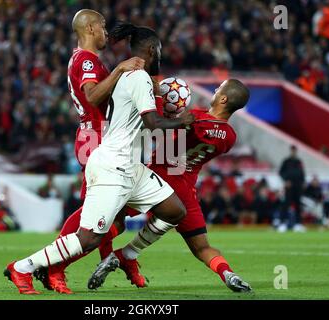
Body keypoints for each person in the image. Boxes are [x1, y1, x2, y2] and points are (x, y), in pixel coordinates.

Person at [4, 21, 195, 295]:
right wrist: (181, 120)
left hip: (126, 160)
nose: (107, 31)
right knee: (90, 234)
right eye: (103, 27)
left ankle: (123, 257)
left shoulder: (125, 74)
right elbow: (142, 118)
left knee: (168, 211)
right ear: (153, 50)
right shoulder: (107, 67)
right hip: (107, 154)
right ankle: (27, 267)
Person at [7, 9, 145, 294]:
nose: (107, 32)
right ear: (92, 28)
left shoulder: (88, 59)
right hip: (96, 139)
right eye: (104, 27)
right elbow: (94, 95)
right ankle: (50, 266)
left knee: (111, 217)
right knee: (94, 216)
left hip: (100, 138)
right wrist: (120, 70)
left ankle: (92, 262)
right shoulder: (85, 60)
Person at [88, 78, 252, 293]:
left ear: (223, 98)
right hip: (186, 190)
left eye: (219, 88)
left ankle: (73, 257)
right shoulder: (230, 137)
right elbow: (208, 133)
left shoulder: (194, 120)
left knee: (112, 220)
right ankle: (228, 274)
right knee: (202, 247)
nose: (215, 88)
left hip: (157, 179)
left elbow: (160, 128)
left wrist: (162, 107)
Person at [278, 145, 306, 232]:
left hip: (298, 186)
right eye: (292, 150)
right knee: (286, 204)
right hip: (289, 186)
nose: (294, 152)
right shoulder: (286, 161)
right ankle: (283, 223)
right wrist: (286, 181)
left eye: (295, 150)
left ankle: (298, 224)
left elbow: (302, 173)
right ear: (290, 151)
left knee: (298, 205)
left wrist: (302, 182)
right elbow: (281, 172)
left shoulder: (299, 162)